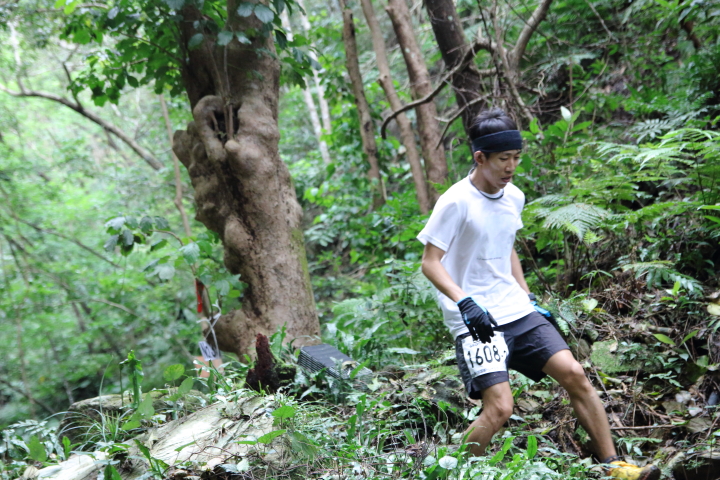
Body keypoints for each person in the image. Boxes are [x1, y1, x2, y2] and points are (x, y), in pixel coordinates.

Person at [417, 108, 660, 480]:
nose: (511, 167)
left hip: (515, 308)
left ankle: (614, 467)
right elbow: (430, 263)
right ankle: (447, 473)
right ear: (480, 158)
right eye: (503, 159)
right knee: (500, 409)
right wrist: (465, 302)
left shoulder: (514, 196)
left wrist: (526, 296)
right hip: (474, 318)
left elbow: (507, 245)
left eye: (516, 158)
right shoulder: (455, 202)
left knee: (575, 374)